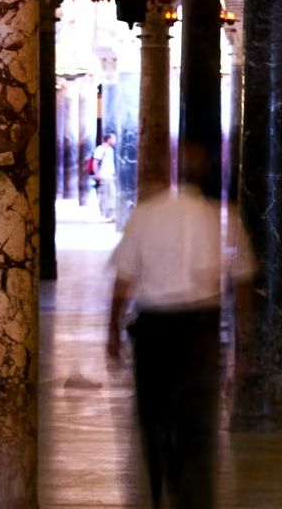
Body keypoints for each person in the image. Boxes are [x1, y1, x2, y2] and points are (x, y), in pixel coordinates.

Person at [107, 144, 255, 509]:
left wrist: (111, 331)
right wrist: (244, 342)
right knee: (197, 415)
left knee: (153, 411)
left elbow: (123, 279)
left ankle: (159, 483)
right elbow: (242, 284)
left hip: (153, 329)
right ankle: (191, 492)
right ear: (207, 172)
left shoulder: (146, 214)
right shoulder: (224, 218)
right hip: (199, 330)